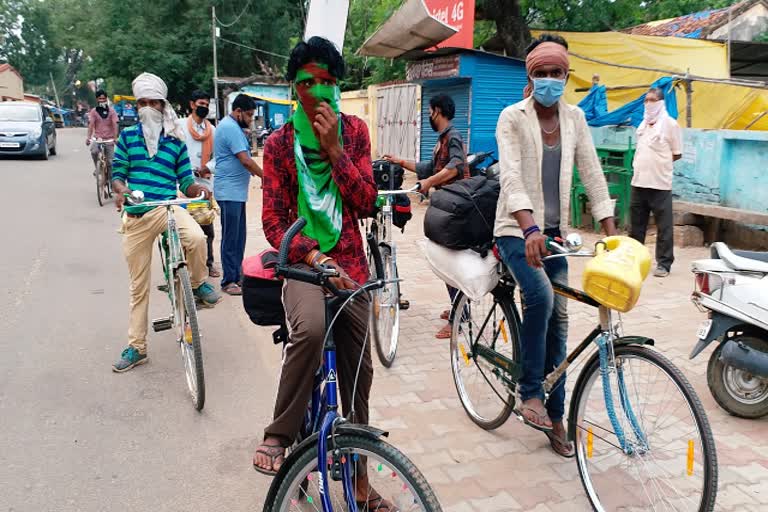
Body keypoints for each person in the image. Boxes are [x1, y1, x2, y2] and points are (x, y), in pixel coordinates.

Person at [255, 36, 393, 509]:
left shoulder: (354, 132)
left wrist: (336, 151)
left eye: (328, 82)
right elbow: (273, 221)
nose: (317, 90)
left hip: (351, 261)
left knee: (360, 370)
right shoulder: (277, 144)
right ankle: (281, 434)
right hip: (302, 262)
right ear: (294, 90)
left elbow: (366, 203)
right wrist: (313, 258)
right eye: (307, 82)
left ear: (338, 87)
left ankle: (358, 479)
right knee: (310, 331)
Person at [494, 34, 617, 457]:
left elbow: (593, 172)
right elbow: (510, 177)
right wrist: (528, 229)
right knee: (541, 297)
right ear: (531, 76)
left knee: (560, 323)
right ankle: (529, 392)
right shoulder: (512, 117)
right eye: (541, 73)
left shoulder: (576, 119)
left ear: (567, 76)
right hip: (515, 230)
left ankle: (556, 416)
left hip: (555, 235)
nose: (549, 80)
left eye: (556, 73)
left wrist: (612, 232)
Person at [111, 72, 220, 373]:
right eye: (142, 102)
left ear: (163, 105)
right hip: (138, 212)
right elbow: (118, 173)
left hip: (169, 208)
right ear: (137, 106)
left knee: (197, 239)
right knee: (139, 287)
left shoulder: (175, 141)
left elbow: (185, 181)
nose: (148, 107)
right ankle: (137, 347)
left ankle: (197, 284)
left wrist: (198, 189)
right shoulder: (128, 137)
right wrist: (121, 191)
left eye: (153, 102)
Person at [384, 94, 468, 339]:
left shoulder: (453, 137)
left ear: (437, 111)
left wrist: (429, 182)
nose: (428, 115)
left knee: (452, 263)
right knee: (447, 261)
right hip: (447, 207)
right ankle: (459, 309)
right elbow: (429, 168)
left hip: (457, 209)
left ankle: (458, 319)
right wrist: (399, 161)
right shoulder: (442, 139)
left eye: (430, 111)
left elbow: (455, 167)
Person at [629, 87, 682, 278]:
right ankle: (634, 261)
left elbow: (677, 153)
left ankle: (664, 264)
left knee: (664, 227)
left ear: (660, 103)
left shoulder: (670, 124)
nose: (648, 104)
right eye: (646, 101)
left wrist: (660, 164)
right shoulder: (643, 125)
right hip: (639, 182)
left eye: (652, 100)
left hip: (660, 184)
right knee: (636, 226)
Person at [213, 93, 262, 295]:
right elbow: (246, 161)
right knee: (231, 237)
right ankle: (228, 281)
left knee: (239, 237)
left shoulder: (233, 127)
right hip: (229, 191)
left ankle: (237, 275)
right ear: (238, 111)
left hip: (236, 192)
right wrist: (265, 177)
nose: (250, 119)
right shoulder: (230, 128)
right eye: (249, 115)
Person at [177, 89, 220, 278]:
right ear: (192, 105)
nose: (204, 108)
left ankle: (208, 263)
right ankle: (182, 265)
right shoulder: (179, 127)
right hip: (183, 184)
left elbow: (219, 156)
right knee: (183, 227)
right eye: (200, 104)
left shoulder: (213, 131)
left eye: (206, 105)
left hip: (204, 183)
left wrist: (208, 167)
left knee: (206, 227)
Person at [86, 90, 119, 178]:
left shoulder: (112, 111)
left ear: (106, 99)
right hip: (98, 139)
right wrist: (88, 138)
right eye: (100, 99)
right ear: (97, 99)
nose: (102, 100)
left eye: (104, 99)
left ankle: (112, 185)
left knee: (111, 162)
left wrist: (116, 138)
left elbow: (115, 124)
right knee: (94, 151)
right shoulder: (94, 111)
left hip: (109, 140)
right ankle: (97, 168)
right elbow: (91, 125)